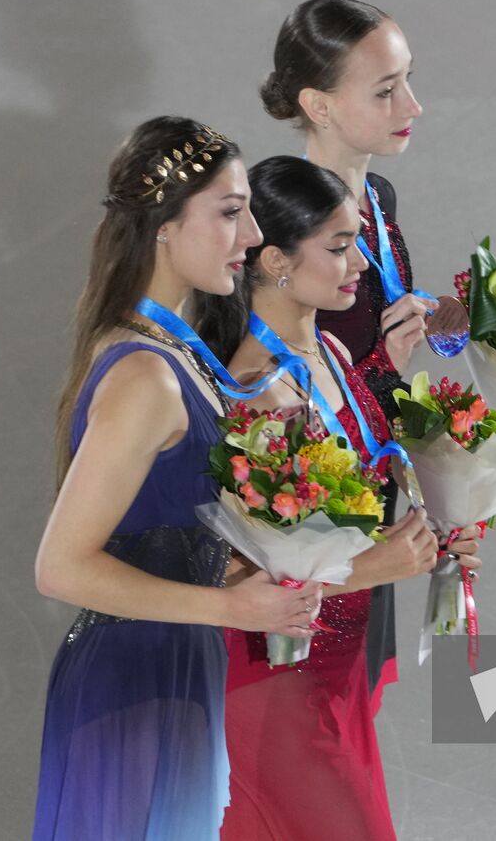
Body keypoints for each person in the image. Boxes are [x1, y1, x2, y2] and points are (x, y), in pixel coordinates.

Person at [30, 117, 322, 841]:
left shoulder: (172, 354)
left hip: (175, 674)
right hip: (133, 688)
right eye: (229, 212)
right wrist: (232, 610)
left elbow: (158, 534)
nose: (252, 234)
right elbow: (60, 567)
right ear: (165, 226)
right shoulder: (146, 376)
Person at [259, 0, 496, 700]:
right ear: (318, 106)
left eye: (406, 79)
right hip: (320, 513)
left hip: (379, 499)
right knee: (309, 712)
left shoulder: (376, 199)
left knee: (356, 704)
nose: (412, 103)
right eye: (385, 90)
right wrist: (388, 367)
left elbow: (373, 326)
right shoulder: (284, 220)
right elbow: (273, 382)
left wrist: (455, 321)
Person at [199, 155, 481, 840]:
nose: (360, 265)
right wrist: (377, 567)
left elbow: (359, 499)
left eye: (356, 239)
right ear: (272, 261)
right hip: (276, 685)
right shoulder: (255, 391)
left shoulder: (336, 353)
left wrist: (442, 525)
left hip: (337, 670)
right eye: (338, 246)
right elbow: (233, 572)